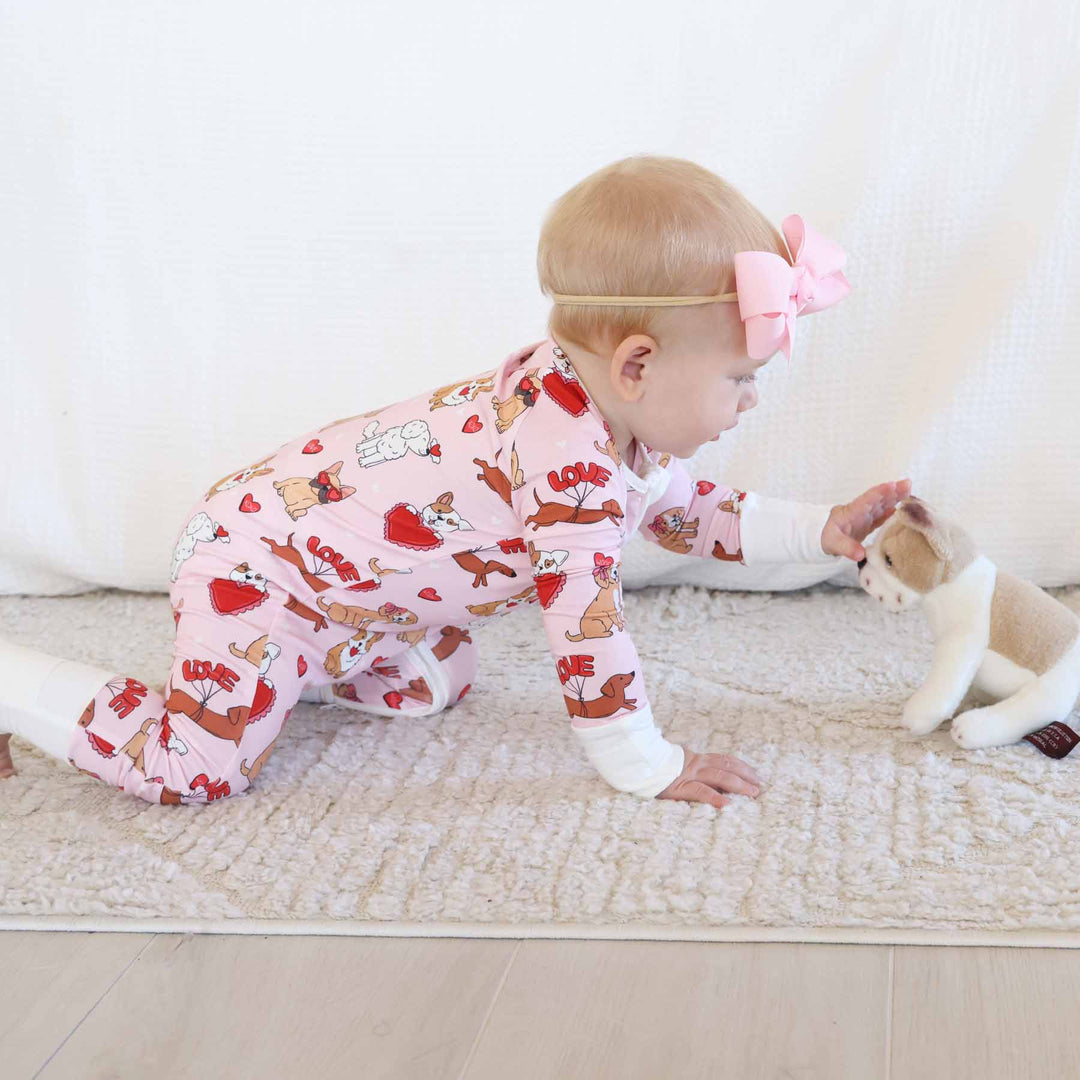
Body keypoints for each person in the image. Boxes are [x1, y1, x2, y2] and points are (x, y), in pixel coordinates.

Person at [0, 154, 910, 808]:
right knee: (200, 771)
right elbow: (587, 635)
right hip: (258, 566)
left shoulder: (598, 409)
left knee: (442, 672)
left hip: (363, 601)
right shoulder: (569, 469)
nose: (749, 402)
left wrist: (818, 529)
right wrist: (647, 762)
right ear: (637, 364)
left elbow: (684, 515)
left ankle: (307, 662)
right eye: (741, 378)